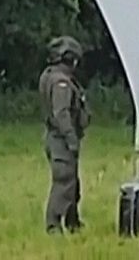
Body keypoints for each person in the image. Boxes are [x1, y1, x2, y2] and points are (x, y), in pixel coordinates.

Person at [38, 35, 90, 234]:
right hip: (60, 139)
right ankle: (53, 224)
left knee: (72, 182)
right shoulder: (61, 82)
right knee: (64, 180)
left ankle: (72, 221)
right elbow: (61, 113)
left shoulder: (50, 75)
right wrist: (71, 138)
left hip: (56, 137)